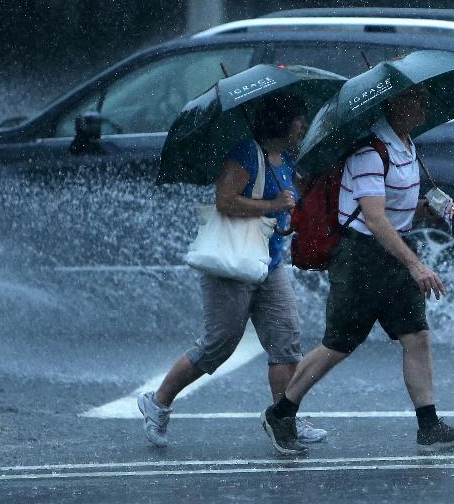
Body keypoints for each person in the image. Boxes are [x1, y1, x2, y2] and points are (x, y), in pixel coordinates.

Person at [260, 85, 454, 455]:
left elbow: (395, 209)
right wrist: (416, 265)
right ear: (394, 104)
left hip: (393, 253)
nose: (424, 105)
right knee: (338, 344)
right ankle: (281, 414)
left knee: (416, 336)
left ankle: (429, 426)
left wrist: (428, 207)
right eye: (416, 99)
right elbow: (375, 218)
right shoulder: (369, 150)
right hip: (361, 258)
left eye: (426, 98)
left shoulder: (406, 145)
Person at [137, 93, 327, 447]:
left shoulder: (285, 158)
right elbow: (224, 202)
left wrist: (283, 220)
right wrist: (273, 204)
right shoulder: (245, 154)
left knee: (286, 343)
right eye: (299, 118)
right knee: (218, 344)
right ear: (282, 122)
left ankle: (285, 418)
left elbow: (278, 210)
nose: (303, 125)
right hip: (231, 265)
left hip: (269, 264)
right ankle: (157, 402)